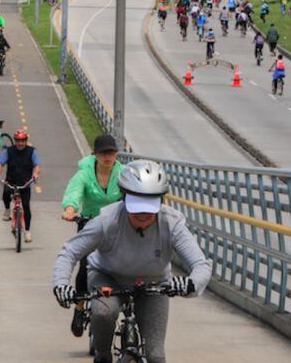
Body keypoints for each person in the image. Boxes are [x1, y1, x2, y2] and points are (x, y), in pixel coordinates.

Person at [52, 160, 212, 363]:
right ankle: (102, 356)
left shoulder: (172, 223)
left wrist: (190, 284)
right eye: (136, 206)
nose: (143, 214)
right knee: (103, 312)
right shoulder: (107, 220)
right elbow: (69, 252)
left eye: (150, 206)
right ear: (124, 198)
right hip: (108, 277)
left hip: (154, 284)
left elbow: (201, 264)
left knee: (156, 355)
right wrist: (61, 285)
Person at [61, 134, 125, 337]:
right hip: (89, 224)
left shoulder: (123, 173)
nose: (108, 156)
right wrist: (70, 209)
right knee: (85, 266)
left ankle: (127, 309)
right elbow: (74, 192)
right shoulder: (85, 173)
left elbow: (133, 193)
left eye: (111, 152)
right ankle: (79, 308)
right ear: (95, 155)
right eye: (103, 152)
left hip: (116, 226)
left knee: (125, 265)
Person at [0, 131, 41, 243]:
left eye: (23, 141)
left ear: (26, 141)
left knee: (26, 206)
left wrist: (35, 174)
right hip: (11, 181)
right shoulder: (8, 151)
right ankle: (7, 210)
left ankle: (27, 231)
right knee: (5, 194)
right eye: (18, 141)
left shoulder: (32, 152)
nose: (20, 143)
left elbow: (37, 165)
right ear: (15, 141)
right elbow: (0, 163)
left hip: (25, 183)